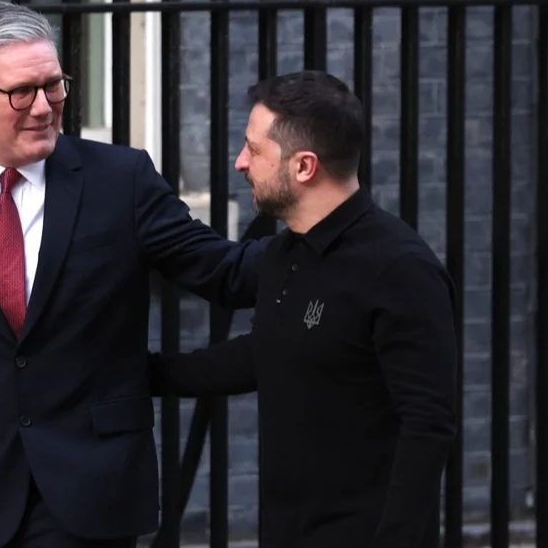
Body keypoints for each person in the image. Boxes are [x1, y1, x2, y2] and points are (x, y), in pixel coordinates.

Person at [0, 1, 266, 548]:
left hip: (93, 494)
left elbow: (226, 273)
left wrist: (335, 232)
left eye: (53, 86)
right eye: (22, 91)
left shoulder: (121, 180)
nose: (43, 107)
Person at [147, 70, 459, 548]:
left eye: (254, 149)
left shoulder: (399, 269)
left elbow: (428, 425)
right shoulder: (286, 252)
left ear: (304, 167)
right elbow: (270, 350)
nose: (240, 162)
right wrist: (144, 375)